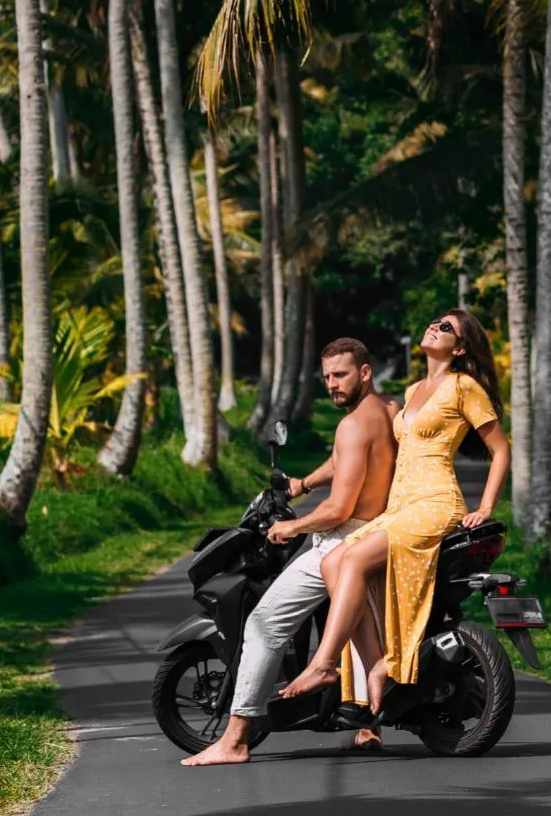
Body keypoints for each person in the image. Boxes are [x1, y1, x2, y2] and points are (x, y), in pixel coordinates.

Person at [280, 309, 511, 715]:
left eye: (446, 328)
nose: (434, 327)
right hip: (401, 505)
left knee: (350, 559)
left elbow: (500, 449)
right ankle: (378, 665)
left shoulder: (464, 387)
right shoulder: (412, 391)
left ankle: (323, 664)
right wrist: (304, 484)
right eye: (435, 322)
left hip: (435, 502)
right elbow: (358, 453)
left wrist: (486, 505)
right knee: (334, 562)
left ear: (458, 348)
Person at [182, 338, 399, 766]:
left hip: (343, 539)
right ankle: (367, 725)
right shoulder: (387, 412)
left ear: (365, 372)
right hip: (379, 535)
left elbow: (339, 509)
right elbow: (348, 460)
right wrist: (304, 484)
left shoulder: (352, 425)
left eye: (341, 375)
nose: (333, 385)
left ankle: (235, 740)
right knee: (355, 616)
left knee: (265, 625)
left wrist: (292, 526)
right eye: (327, 378)